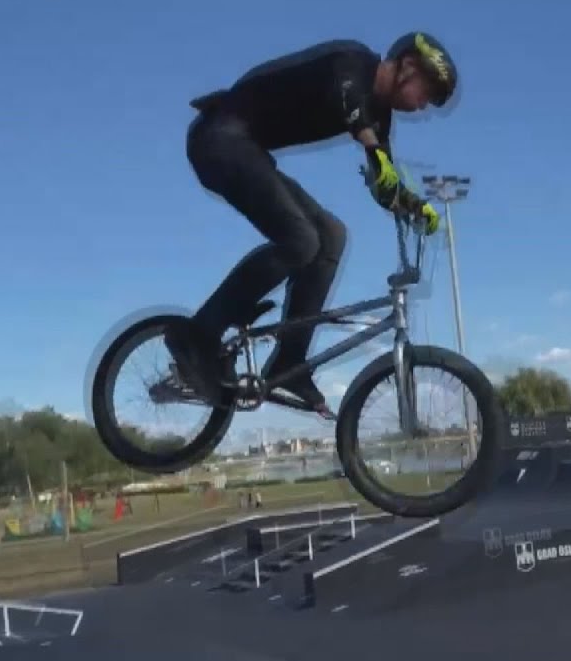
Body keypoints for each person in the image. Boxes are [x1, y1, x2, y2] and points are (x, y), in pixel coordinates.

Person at [165, 32, 456, 417]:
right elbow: (346, 97)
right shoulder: (354, 61)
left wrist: (414, 207)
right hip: (218, 138)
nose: (422, 107)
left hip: (248, 149)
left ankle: (290, 362)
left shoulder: (378, 120)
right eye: (426, 92)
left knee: (332, 236)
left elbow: (383, 184)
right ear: (408, 66)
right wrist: (372, 147)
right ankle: (198, 335)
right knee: (301, 239)